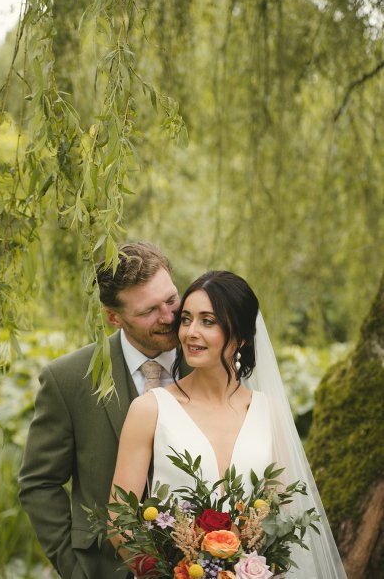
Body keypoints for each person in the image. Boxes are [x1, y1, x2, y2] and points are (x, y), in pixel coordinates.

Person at [110, 270, 348, 578]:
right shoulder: (150, 409)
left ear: (241, 336)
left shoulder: (268, 412)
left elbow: (285, 517)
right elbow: (119, 523)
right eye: (186, 319)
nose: (190, 332)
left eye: (208, 321)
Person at [18, 242, 191, 579]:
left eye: (171, 300)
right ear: (114, 317)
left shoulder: (211, 363)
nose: (169, 317)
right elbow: (39, 483)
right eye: (149, 311)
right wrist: (74, 568)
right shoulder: (68, 378)